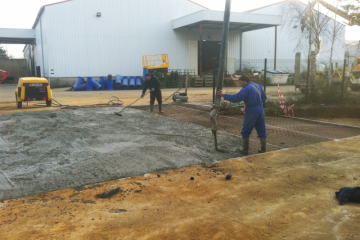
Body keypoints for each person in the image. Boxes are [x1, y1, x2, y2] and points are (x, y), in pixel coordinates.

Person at [217, 75, 267, 155]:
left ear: (244, 81)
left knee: (246, 130)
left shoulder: (246, 89)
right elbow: (264, 97)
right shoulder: (258, 86)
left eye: (240, 83)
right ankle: (263, 148)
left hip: (251, 110)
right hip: (260, 109)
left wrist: (224, 95)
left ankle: (245, 150)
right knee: (261, 129)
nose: (240, 85)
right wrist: (258, 104)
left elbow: (237, 98)